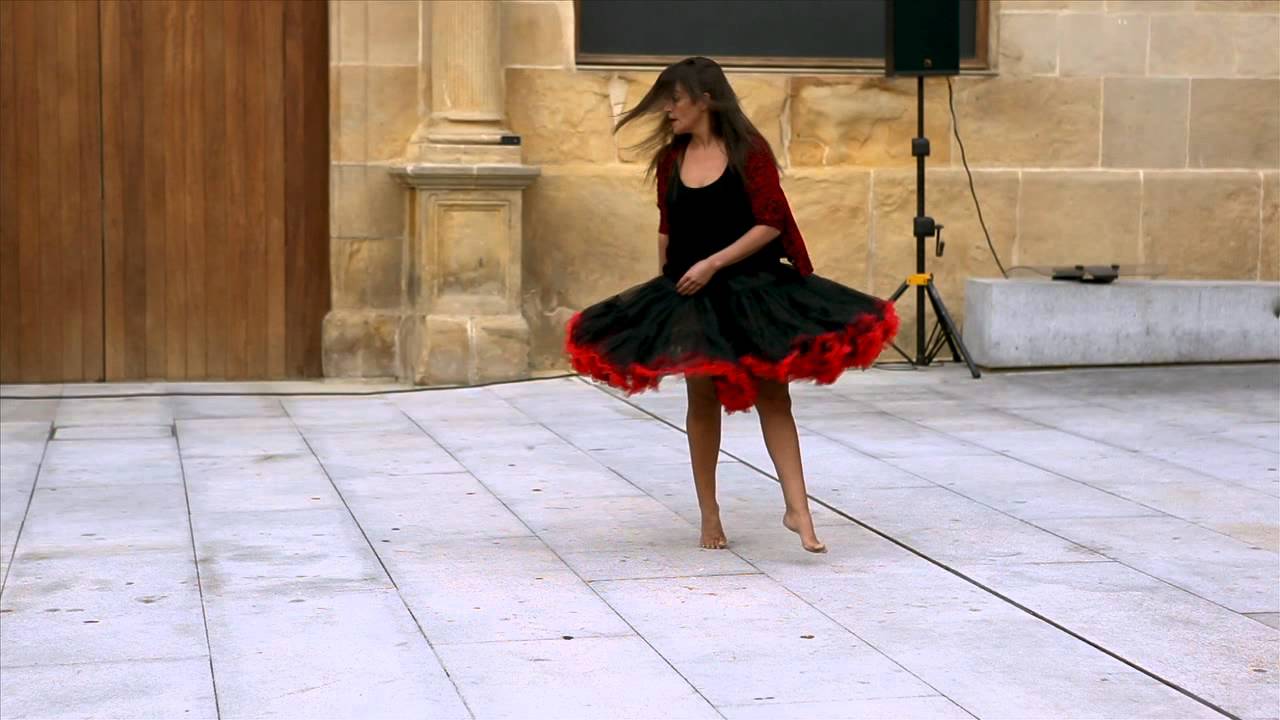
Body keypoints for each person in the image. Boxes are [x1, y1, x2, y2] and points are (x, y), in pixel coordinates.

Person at [565, 57, 899, 554]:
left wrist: (713, 264)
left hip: (754, 290)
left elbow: (770, 222)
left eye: (674, 100)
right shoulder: (670, 160)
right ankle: (709, 513)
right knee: (702, 400)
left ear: (705, 99)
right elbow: (667, 226)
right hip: (692, 295)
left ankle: (798, 510)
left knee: (773, 396)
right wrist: (668, 284)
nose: (668, 110)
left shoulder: (749, 152)